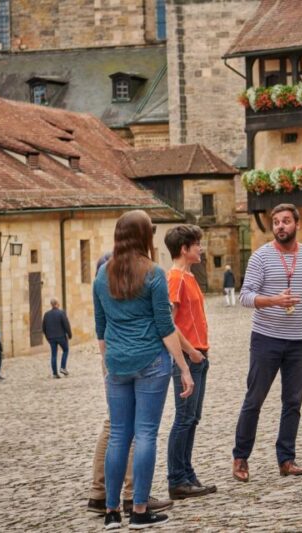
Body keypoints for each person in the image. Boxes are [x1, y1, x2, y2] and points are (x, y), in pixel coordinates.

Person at [93, 210, 194, 530]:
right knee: (146, 433)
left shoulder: (101, 275)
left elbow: (100, 329)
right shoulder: (153, 273)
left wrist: (108, 367)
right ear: (144, 236)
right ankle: (138, 509)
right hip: (151, 362)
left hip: (117, 365)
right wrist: (184, 368)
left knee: (120, 435)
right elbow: (165, 328)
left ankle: (111, 512)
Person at [232, 203, 302, 482]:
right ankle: (240, 457)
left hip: (300, 341)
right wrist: (273, 300)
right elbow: (245, 297)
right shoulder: (260, 258)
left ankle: (286, 459)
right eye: (276, 221)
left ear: (297, 224)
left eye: (286, 221)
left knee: (293, 402)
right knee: (254, 399)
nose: (280, 226)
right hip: (266, 339)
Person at [87, 251, 173, 518]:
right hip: (140, 355)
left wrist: (109, 359)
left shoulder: (105, 268)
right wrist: (184, 362)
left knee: (116, 428)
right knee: (138, 430)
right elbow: (163, 324)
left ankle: (104, 498)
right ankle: (134, 499)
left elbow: (100, 326)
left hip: (115, 355)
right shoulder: (146, 270)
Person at [164, 225, 217, 500]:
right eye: (196, 244)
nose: (200, 248)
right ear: (184, 249)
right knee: (184, 418)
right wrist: (191, 352)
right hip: (189, 356)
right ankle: (176, 478)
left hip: (199, 354)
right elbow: (168, 323)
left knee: (192, 418)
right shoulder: (175, 278)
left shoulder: (190, 277)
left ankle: (187, 473)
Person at [42, 297, 72, 378]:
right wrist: (69, 334)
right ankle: (62, 367)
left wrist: (47, 337)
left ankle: (55, 373)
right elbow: (66, 325)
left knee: (54, 354)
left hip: (51, 338)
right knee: (65, 350)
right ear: (56, 304)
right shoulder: (61, 313)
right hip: (61, 336)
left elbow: (43, 328)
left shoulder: (46, 314)